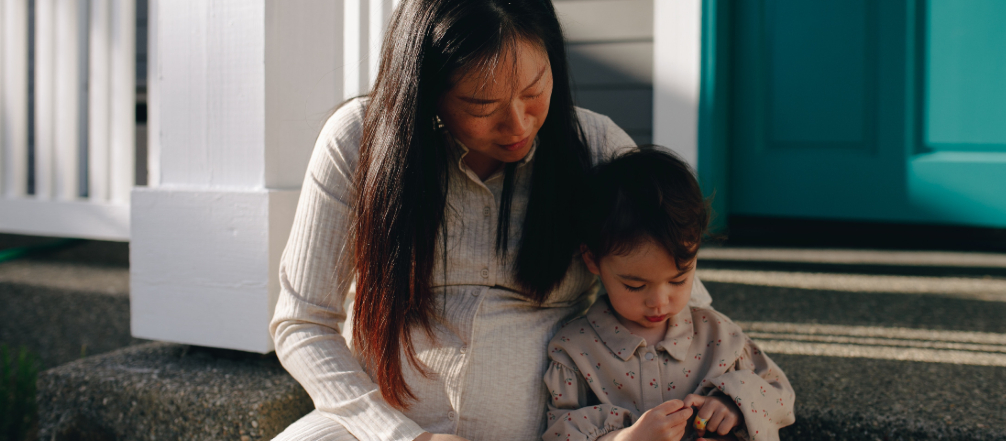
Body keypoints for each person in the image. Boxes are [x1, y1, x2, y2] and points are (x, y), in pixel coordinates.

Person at [268, 1, 713, 440]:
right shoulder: (358, 143)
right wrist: (401, 436)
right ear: (426, 89)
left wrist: (720, 396)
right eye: (482, 106)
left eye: (535, 90)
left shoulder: (594, 148)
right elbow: (302, 324)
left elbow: (686, 304)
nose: (518, 124)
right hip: (379, 428)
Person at [543, 147, 795, 441]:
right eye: (635, 286)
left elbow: (780, 396)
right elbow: (559, 433)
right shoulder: (575, 352)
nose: (659, 302)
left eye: (678, 280)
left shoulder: (720, 336)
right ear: (592, 259)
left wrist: (734, 403)